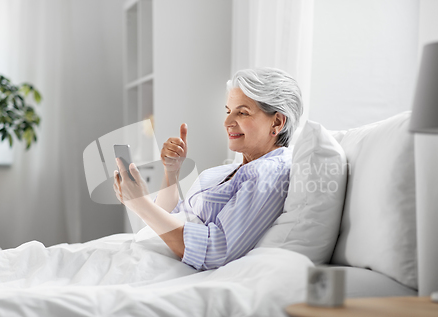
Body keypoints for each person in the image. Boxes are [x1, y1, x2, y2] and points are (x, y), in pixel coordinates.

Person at [113, 67, 303, 271]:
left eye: (242, 112)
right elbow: (169, 218)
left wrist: (141, 204)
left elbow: (215, 251)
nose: (227, 122)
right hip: (143, 254)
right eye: (228, 111)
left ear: (277, 122)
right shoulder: (225, 172)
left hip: (156, 266)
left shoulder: (270, 173)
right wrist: (171, 171)